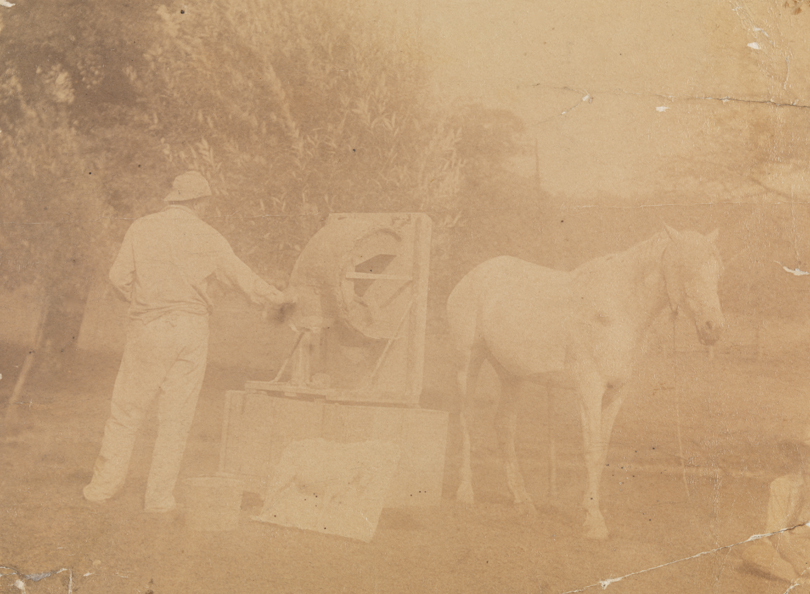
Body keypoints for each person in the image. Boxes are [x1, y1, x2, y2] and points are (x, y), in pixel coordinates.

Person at [83, 171, 294, 513]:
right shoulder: (209, 236)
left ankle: (102, 488)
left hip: (149, 327)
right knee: (176, 418)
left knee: (126, 411)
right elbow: (244, 279)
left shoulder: (142, 228)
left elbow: (118, 278)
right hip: (191, 330)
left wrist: (143, 302)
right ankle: (159, 499)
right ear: (200, 202)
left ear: (173, 199)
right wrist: (280, 297)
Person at [742, 428, 810, 583]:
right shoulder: (781, 485)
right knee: (753, 554)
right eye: (806, 454)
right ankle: (799, 579)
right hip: (784, 549)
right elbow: (776, 533)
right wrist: (796, 561)